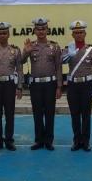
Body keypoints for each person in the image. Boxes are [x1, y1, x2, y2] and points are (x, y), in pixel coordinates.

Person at [22, 17, 63, 151]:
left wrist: (59, 86)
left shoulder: (55, 46)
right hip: (36, 85)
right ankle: (39, 140)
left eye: (43, 29)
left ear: (47, 30)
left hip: (50, 84)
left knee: (50, 113)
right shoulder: (31, 46)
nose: (41, 31)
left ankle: (49, 141)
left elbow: (58, 67)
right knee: (37, 113)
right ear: (34, 31)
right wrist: (26, 52)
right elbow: (21, 61)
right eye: (38, 29)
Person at [62, 20, 92, 151]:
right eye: (76, 32)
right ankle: (76, 140)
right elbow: (61, 61)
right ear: (72, 34)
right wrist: (69, 54)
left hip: (87, 85)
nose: (78, 35)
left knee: (86, 115)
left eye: (81, 32)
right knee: (74, 115)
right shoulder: (68, 49)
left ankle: (86, 141)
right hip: (73, 85)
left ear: (85, 33)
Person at [0, 22, 22, 152]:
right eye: (0, 33)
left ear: (8, 34)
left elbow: (19, 69)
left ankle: (9, 141)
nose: (2, 35)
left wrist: (19, 87)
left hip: (9, 85)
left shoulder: (15, 50)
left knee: (9, 113)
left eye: (4, 33)